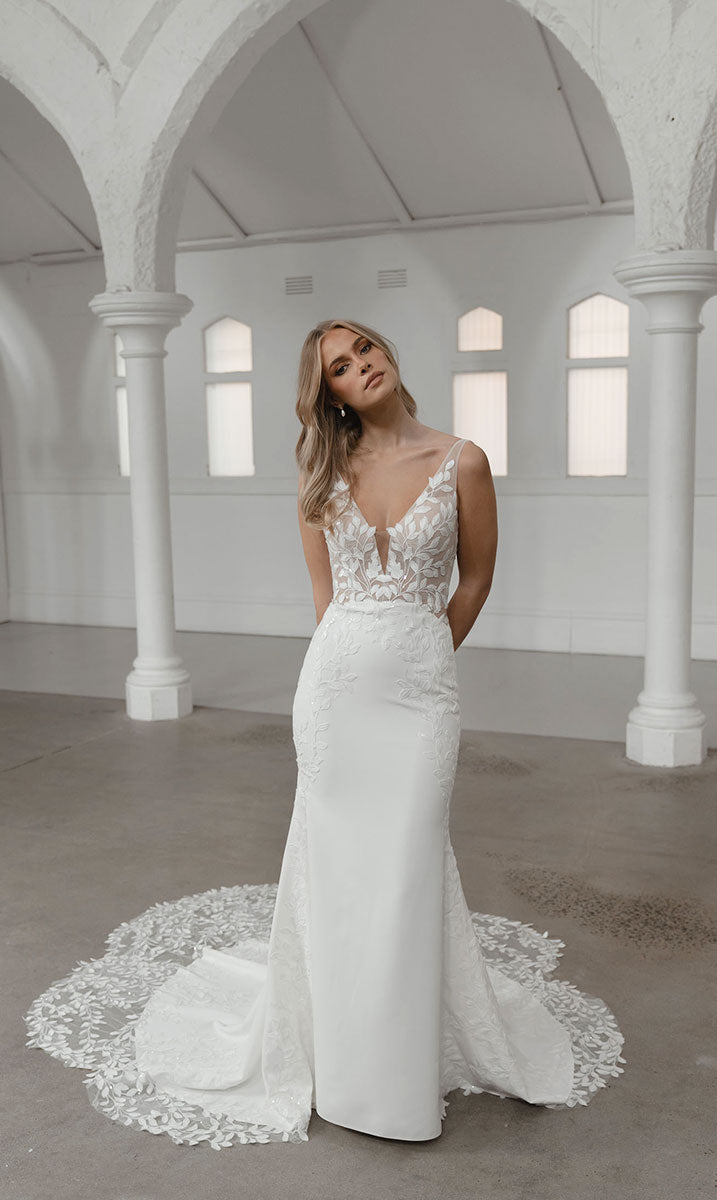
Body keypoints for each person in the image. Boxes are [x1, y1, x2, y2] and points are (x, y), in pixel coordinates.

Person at [24, 318, 625, 1149]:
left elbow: (478, 576)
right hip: (336, 698)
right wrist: (344, 677)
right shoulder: (321, 472)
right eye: (338, 367)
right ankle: (340, 1063)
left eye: (365, 350)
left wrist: (423, 651)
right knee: (340, 878)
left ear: (389, 352)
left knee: (407, 875)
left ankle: (397, 1079)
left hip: (420, 702)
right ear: (329, 392)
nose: (360, 368)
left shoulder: (464, 462)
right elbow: (325, 604)